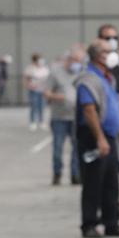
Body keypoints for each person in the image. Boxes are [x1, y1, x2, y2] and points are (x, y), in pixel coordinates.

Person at [75, 40, 119, 238]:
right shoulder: (88, 79)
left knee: (111, 182)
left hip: (109, 135)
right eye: (108, 52)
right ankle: (89, 223)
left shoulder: (108, 78)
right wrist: (100, 138)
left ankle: (112, 222)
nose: (112, 55)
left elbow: (113, 108)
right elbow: (89, 110)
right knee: (93, 181)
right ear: (98, 56)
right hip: (94, 136)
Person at [45, 48, 84, 186]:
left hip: (76, 117)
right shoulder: (56, 73)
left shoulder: (82, 73)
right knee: (58, 148)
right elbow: (47, 93)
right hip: (59, 117)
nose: (77, 63)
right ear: (68, 59)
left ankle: (75, 174)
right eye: (75, 60)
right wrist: (61, 97)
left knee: (77, 148)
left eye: (80, 61)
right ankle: (57, 173)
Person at [24, 54, 50, 131]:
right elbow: (26, 78)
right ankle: (33, 122)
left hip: (43, 90)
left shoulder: (45, 68)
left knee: (42, 107)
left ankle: (41, 122)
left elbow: (48, 79)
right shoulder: (30, 68)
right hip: (34, 90)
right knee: (34, 106)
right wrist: (29, 85)